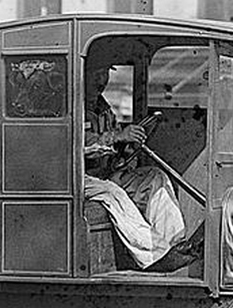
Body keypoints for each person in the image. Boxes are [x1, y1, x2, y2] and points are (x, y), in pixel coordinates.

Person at [82, 62, 201, 272]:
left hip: (103, 174)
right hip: (73, 178)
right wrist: (117, 136)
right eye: (96, 73)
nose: (101, 80)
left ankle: (175, 245)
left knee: (154, 177)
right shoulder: (70, 107)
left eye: (105, 73)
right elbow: (76, 144)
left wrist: (126, 150)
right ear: (81, 74)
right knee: (113, 193)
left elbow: (114, 145)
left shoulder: (103, 108)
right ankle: (155, 256)